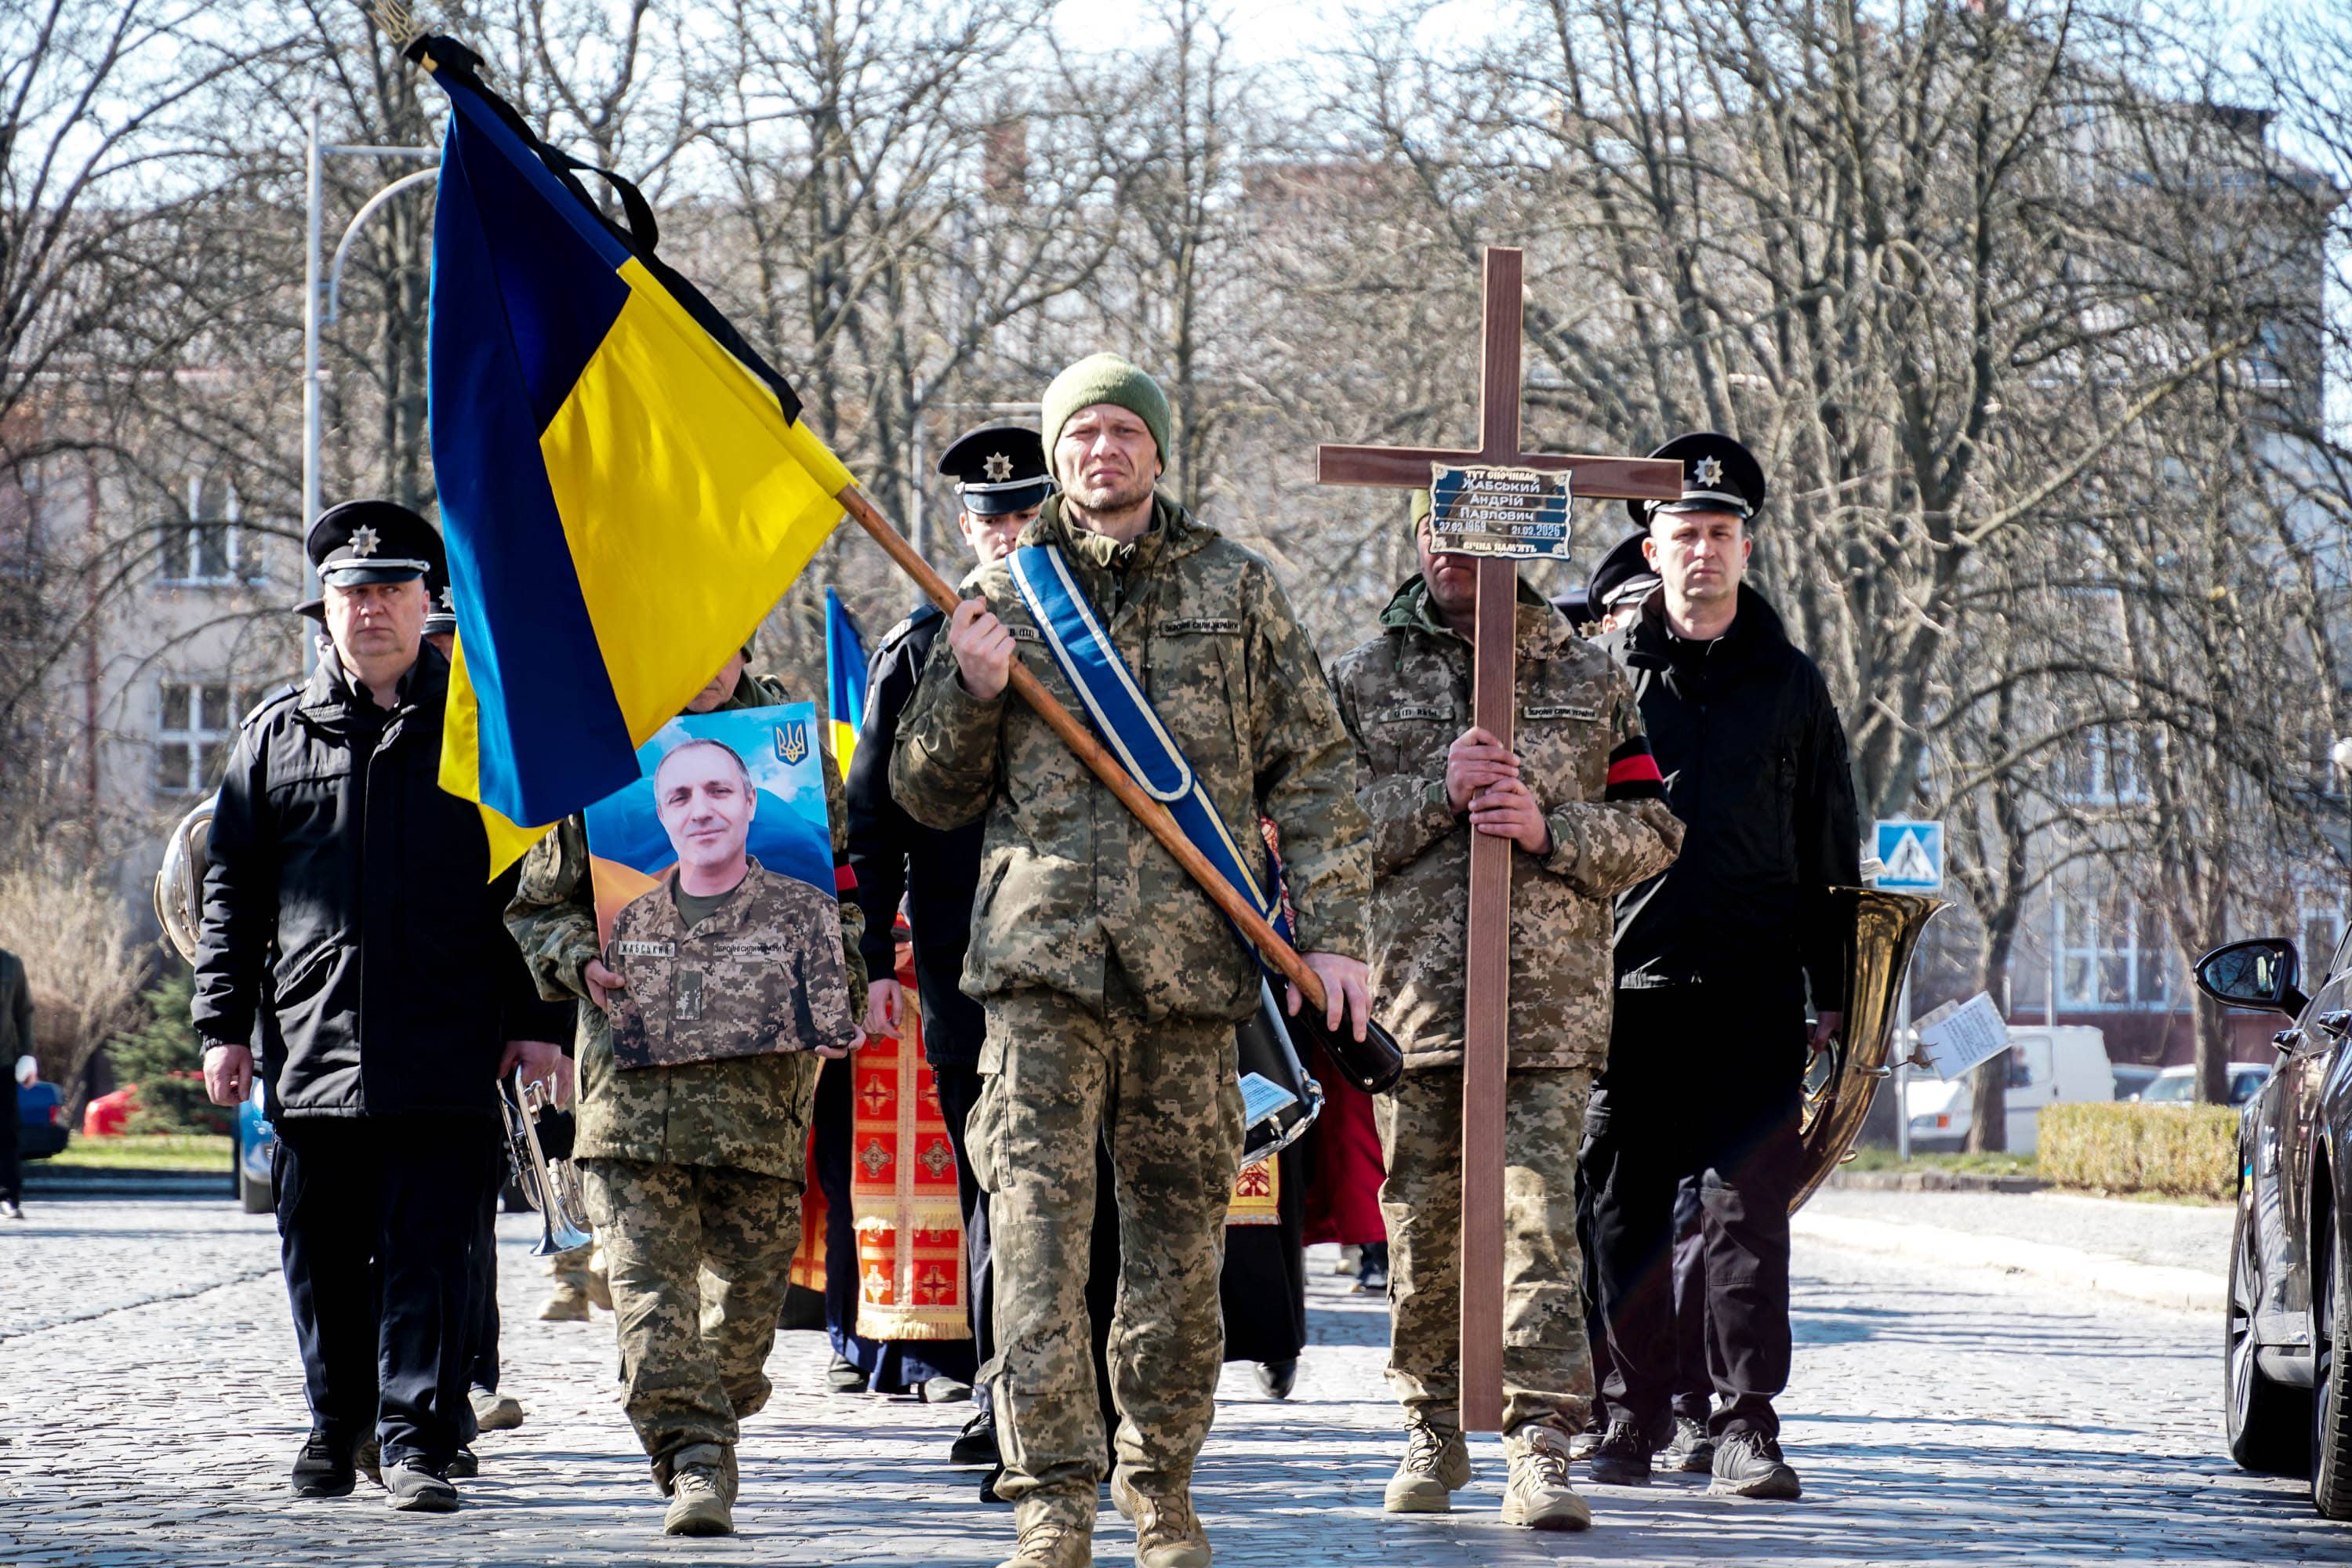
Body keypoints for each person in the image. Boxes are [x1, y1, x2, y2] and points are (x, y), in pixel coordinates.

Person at [891, 354, 1371, 1568]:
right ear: (1056, 455)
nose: (1102, 452)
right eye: (1082, 434)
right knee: (1041, 1256)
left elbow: (1314, 771)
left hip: (1188, 984)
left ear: (1157, 451)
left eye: (1123, 432)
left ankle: (1161, 1486)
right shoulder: (996, 596)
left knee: (1175, 1254)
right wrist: (970, 686)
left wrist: (1333, 936)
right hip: (1041, 978)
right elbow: (924, 794)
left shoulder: (1235, 590)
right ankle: (1050, 1495)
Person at [194, 499, 567, 1514]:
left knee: (429, 1257)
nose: (372, 610)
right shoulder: (274, 737)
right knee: (319, 1259)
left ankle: (417, 1444)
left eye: (392, 591)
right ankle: (337, 1426)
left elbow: (535, 888)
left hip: (449, 1043)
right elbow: (232, 893)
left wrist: (539, 1025)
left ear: (425, 603)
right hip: (314, 1045)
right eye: (353, 593)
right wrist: (223, 1025)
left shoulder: (481, 731)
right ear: (325, 608)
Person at [1329, 488, 1682, 1530]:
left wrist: (1550, 828)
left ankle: (1541, 1446)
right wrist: (1433, 791)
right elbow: (1316, 837)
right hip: (1419, 1009)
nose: (1450, 550)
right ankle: (1431, 1429)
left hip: (1545, 1009)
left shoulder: (1583, 671)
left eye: (1471, 532)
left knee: (1538, 1227)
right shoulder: (1363, 678)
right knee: (1424, 1227)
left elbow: (1654, 829)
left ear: (1515, 543)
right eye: (1435, 529)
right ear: (1416, 536)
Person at [506, 638, 867, 1538]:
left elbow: (845, 891)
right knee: (652, 1299)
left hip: (759, 1099)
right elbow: (537, 905)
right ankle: (694, 1461)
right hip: (633, 1094)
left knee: (746, 1313)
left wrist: (842, 983)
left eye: (720, 642)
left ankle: (718, 1403)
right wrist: (578, 958)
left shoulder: (790, 740)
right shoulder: (598, 744)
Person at [1584, 431, 1860, 1501]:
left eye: (1721, 534)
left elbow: (1829, 837)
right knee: (1624, 1215)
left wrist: (1832, 986)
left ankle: (1748, 1425)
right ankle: (1633, 1413)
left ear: (1747, 549)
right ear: (1651, 553)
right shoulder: (1602, 677)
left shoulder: (1790, 685)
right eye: (1684, 534)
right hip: (1625, 993)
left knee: (1748, 1220)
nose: (1703, 552)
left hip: (1751, 995)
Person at [844, 422, 1048, 1458]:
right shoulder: (919, 648)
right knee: (989, 1178)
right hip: (969, 964)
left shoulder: (1104, 642)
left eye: (1026, 515)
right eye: (991, 518)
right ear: (962, 526)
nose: (1008, 535)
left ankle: (1086, 1390)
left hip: (1095, 960)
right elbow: (872, 820)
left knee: (1090, 1177)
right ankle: (997, 1393)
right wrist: (872, 956)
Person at [0, 947, 30, 1221]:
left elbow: (23, 1012)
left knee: (7, 1133)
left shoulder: (10, 965)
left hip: (3, 1062)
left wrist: (28, 1056)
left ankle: (9, 1196)